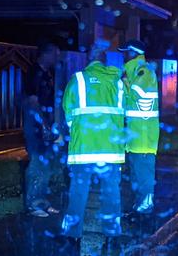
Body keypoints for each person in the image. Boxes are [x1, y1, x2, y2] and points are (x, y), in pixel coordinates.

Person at [60, 41, 125, 251]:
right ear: (104, 61)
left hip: (83, 149)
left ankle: (73, 234)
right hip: (111, 149)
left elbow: (68, 112)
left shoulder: (77, 80)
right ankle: (112, 234)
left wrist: (78, 130)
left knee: (78, 191)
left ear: (89, 60)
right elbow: (122, 113)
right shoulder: (118, 82)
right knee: (111, 192)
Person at [118, 40, 160, 215]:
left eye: (125, 51)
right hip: (136, 135)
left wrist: (125, 83)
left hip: (143, 135)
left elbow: (137, 95)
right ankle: (140, 204)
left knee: (144, 173)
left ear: (133, 52)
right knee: (137, 173)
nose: (123, 55)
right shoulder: (135, 70)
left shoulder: (144, 71)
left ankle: (146, 203)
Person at [23, 43, 62, 217]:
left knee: (45, 165)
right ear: (46, 54)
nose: (57, 58)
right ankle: (33, 203)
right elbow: (33, 101)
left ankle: (42, 202)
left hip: (45, 125)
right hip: (35, 127)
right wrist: (44, 125)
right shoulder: (34, 73)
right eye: (55, 54)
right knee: (36, 164)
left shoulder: (48, 73)